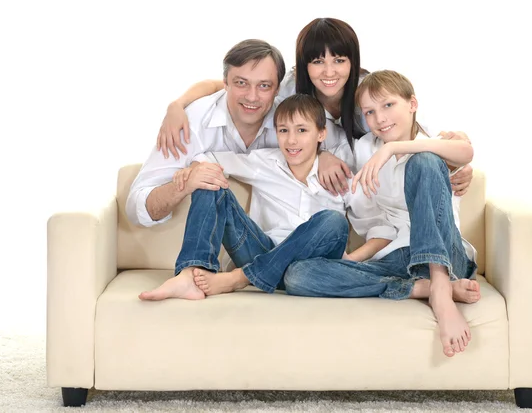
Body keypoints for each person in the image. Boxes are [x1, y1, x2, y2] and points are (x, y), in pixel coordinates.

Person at [154, 18, 474, 197]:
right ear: (304, 66)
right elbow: (229, 83)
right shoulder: (290, 90)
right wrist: (177, 104)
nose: (329, 71)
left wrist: (457, 167)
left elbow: (419, 131)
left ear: (353, 62)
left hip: (378, 196)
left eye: (339, 60)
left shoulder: (370, 94)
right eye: (317, 61)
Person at [282, 70, 479, 359]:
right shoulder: (364, 150)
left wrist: (395, 148)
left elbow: (466, 151)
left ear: (412, 104)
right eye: (370, 112)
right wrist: (324, 155)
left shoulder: (435, 141)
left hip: (448, 256)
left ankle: (440, 287)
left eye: (388, 105)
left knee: (424, 162)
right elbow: (379, 225)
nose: (381, 118)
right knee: (298, 275)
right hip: (398, 259)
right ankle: (419, 288)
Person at [138, 94, 355, 301]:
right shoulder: (264, 163)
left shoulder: (339, 174)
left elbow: (376, 221)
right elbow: (209, 157)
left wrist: (354, 261)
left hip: (309, 270)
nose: (291, 140)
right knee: (209, 180)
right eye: (283, 130)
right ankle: (191, 272)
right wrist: (194, 169)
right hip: (261, 251)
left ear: (321, 134)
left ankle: (238, 279)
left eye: (301, 130)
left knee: (333, 220)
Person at [126, 38, 286, 229]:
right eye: (241, 83)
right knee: (207, 183)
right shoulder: (191, 123)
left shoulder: (292, 123)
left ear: (278, 89)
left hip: (270, 241)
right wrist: (184, 185)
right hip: (215, 232)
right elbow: (136, 208)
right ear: (225, 82)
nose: (252, 96)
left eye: (264, 86)